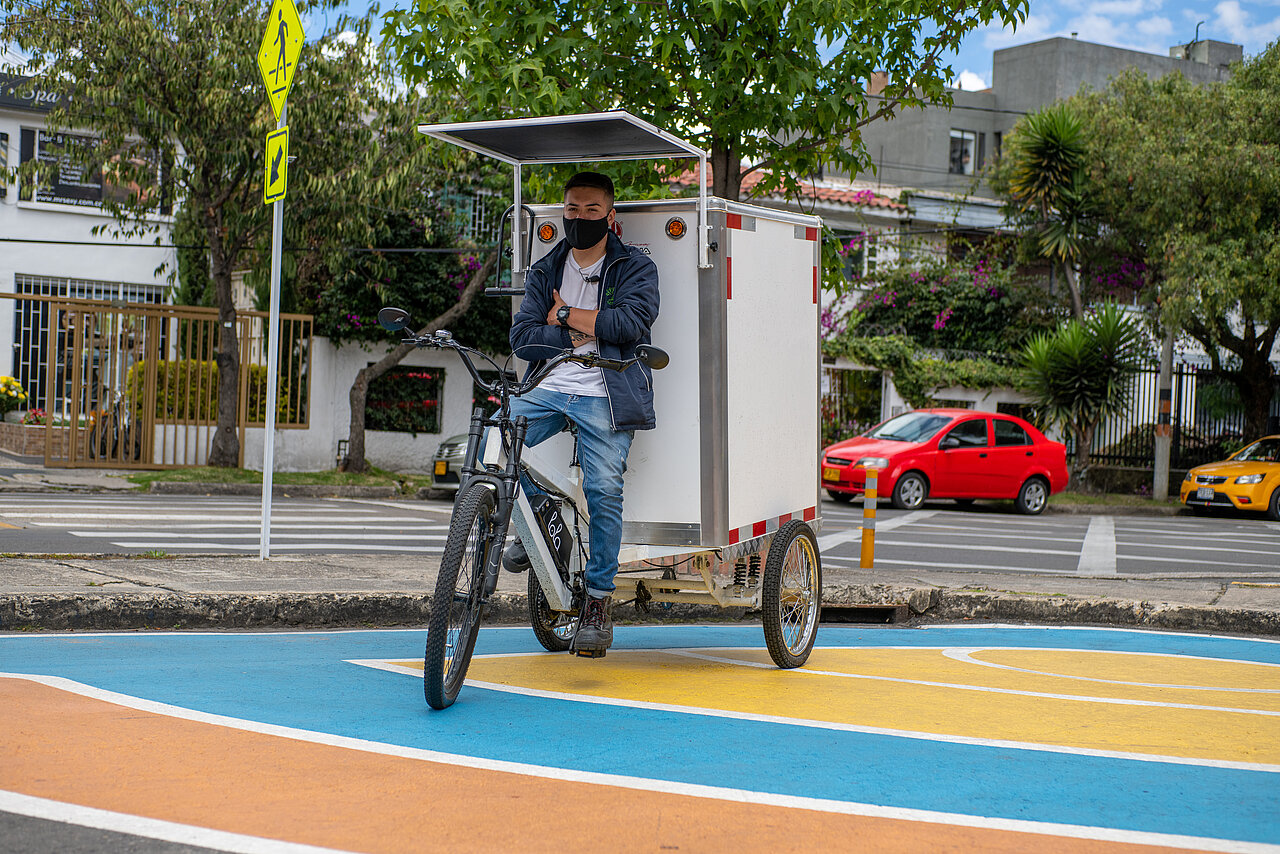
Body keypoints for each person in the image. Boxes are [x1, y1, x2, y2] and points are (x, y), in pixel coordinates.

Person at [504, 171, 660, 656]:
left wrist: (566, 315)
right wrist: (577, 331)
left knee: (604, 490)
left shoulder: (635, 267)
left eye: (592, 211)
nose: (580, 218)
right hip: (550, 386)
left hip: (607, 391)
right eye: (572, 209)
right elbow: (522, 336)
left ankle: (597, 602)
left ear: (610, 217)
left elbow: (629, 324)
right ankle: (541, 516)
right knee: (497, 439)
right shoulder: (545, 269)